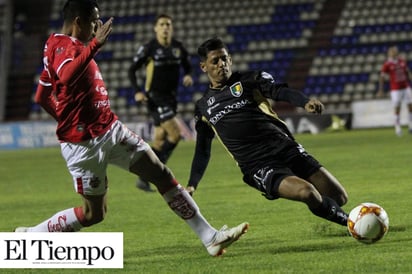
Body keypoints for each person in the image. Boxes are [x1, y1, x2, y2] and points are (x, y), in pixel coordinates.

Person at [14, 1, 248, 257]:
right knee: (94, 214)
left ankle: (210, 237)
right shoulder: (64, 47)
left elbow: (41, 95)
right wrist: (94, 47)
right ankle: (33, 236)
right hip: (83, 146)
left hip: (110, 130)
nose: (97, 27)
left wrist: (64, 115)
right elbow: (68, 76)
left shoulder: (57, 46)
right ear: (78, 22)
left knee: (161, 173)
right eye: (93, 21)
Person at [186, 37, 349, 229]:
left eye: (224, 58)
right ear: (204, 67)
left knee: (339, 197)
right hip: (257, 164)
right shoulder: (203, 107)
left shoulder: (250, 80)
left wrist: (304, 102)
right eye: (215, 61)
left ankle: (347, 219)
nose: (221, 64)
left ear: (230, 60)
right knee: (307, 192)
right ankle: (351, 224)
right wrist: (192, 184)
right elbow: (202, 150)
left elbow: (279, 91)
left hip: (285, 147)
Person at [128, 13, 193, 192]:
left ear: (171, 28)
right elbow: (132, 70)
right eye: (162, 24)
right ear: (156, 28)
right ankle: (156, 174)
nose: (165, 27)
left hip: (171, 98)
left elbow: (188, 64)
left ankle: (144, 177)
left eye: (168, 24)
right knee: (175, 134)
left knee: (159, 139)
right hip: (155, 97)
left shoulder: (178, 48)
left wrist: (187, 74)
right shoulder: (149, 48)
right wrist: (137, 91)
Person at [377, 45, 412, 136]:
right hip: (395, 89)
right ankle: (397, 127)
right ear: (389, 53)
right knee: (397, 107)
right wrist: (381, 89)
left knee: (410, 105)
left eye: (394, 51)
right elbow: (382, 77)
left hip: (405, 86)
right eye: (391, 51)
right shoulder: (387, 64)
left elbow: (407, 72)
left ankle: (411, 125)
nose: (393, 53)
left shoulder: (402, 61)